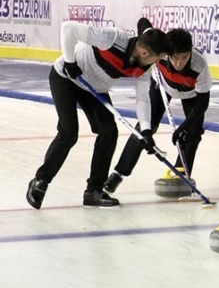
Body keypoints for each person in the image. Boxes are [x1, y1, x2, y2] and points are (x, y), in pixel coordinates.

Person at [26, 18, 172, 209]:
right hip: (66, 77)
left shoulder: (143, 67)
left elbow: (142, 99)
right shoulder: (112, 38)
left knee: (108, 132)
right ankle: (40, 180)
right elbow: (69, 28)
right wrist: (70, 62)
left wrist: (145, 130)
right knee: (69, 132)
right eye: (158, 58)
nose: (158, 63)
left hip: (95, 89)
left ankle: (93, 191)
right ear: (144, 52)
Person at [103, 27, 212, 194]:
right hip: (162, 87)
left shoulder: (199, 65)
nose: (179, 63)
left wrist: (184, 127)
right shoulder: (160, 53)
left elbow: (202, 104)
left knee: (192, 132)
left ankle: (181, 174)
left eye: (184, 57)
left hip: (191, 94)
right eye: (175, 58)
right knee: (145, 127)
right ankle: (118, 174)